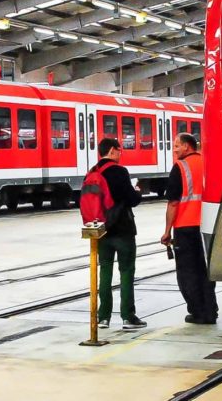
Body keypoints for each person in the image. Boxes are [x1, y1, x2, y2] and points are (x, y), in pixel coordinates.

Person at [88, 138, 145, 331]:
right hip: (123, 229)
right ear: (112, 151)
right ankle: (128, 316)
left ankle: (103, 317)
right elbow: (131, 199)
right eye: (119, 151)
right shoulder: (120, 172)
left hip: (101, 230)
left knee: (105, 271)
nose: (121, 154)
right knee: (126, 271)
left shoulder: (93, 171)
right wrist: (137, 191)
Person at [160, 133, 217, 324]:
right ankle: (211, 309)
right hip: (208, 226)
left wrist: (167, 230)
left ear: (187, 146)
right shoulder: (209, 164)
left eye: (177, 145)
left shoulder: (180, 167)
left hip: (185, 227)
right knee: (206, 269)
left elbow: (174, 203)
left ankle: (198, 312)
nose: (174, 149)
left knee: (188, 272)